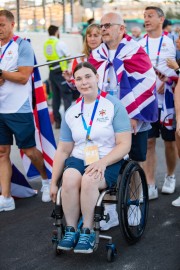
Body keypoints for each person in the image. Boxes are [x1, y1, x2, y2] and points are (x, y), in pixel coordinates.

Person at [50, 62, 131, 253]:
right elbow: (63, 150)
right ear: (74, 83)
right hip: (80, 157)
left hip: (108, 157)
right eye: (79, 79)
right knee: (68, 179)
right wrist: (53, 182)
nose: (84, 82)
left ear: (97, 78)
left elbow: (125, 144)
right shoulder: (71, 111)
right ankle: (71, 229)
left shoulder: (113, 105)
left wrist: (102, 162)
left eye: (88, 77)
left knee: (89, 179)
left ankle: (87, 230)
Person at [88, 12, 157, 230]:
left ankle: (135, 203)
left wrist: (134, 114)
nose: (103, 29)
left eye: (108, 25)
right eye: (102, 25)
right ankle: (109, 208)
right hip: (104, 117)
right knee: (103, 160)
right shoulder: (97, 53)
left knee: (134, 160)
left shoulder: (134, 49)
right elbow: (90, 85)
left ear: (121, 29)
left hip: (132, 114)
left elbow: (147, 81)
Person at [0, 10, 51, 211]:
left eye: (2, 24)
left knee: (29, 150)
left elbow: (23, 77)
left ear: (12, 25)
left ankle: (46, 181)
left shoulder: (22, 45)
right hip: (0, 110)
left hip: (19, 109)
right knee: (2, 152)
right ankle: (6, 197)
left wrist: (3, 73)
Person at [139, 7, 177, 199]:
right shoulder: (139, 44)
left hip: (168, 100)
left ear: (161, 19)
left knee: (170, 142)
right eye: (145, 17)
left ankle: (170, 176)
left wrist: (167, 81)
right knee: (149, 142)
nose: (146, 20)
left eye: (150, 16)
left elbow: (176, 70)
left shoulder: (171, 43)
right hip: (148, 101)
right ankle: (150, 182)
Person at [44, 25, 72, 129]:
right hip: (61, 72)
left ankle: (57, 122)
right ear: (57, 31)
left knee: (55, 97)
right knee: (67, 96)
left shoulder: (46, 44)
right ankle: (68, 122)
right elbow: (69, 57)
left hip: (51, 73)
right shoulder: (59, 43)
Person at [63, 23, 102, 89]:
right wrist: (69, 80)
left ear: (102, 37)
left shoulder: (108, 57)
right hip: (88, 98)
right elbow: (75, 86)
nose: (92, 39)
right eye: (89, 36)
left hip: (105, 97)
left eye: (96, 35)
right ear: (86, 38)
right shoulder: (80, 58)